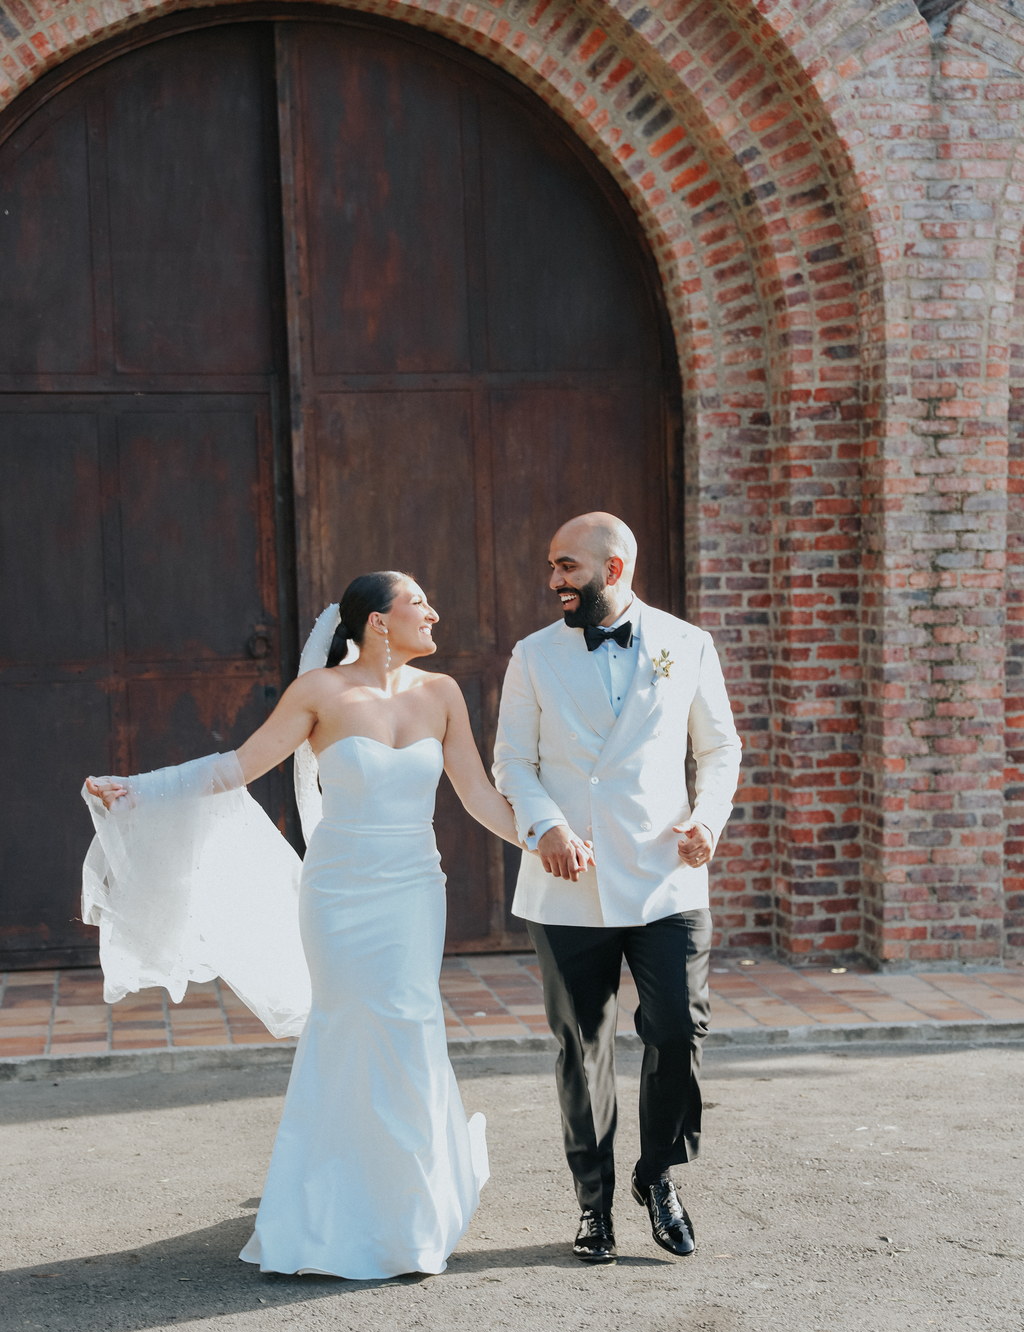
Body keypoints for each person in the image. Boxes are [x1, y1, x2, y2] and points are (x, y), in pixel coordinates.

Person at [84, 572, 521, 1280]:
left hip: (413, 890)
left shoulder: (442, 695)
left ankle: (411, 1218)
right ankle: (331, 1212)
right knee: (347, 1026)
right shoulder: (319, 694)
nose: (434, 612)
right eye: (419, 603)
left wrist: (549, 839)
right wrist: (142, 790)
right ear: (379, 621)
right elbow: (238, 767)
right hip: (340, 893)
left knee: (408, 1022)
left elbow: (476, 794)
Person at [493, 513, 741, 1264]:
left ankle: (657, 1173)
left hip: (668, 875)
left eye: (567, 566)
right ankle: (592, 1204)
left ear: (616, 565)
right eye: (550, 566)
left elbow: (720, 747)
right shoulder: (532, 656)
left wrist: (707, 820)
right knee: (582, 1045)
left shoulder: (686, 644)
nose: (553, 581)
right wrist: (546, 828)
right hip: (567, 881)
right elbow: (512, 761)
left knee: (678, 1031)